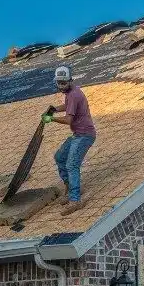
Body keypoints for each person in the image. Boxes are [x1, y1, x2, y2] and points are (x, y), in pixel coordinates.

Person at [43, 66, 96, 216]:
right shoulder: (71, 92)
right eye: (59, 83)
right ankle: (70, 187)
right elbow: (68, 106)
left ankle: (75, 200)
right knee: (59, 157)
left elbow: (68, 120)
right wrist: (54, 109)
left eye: (64, 83)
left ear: (70, 80)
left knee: (72, 165)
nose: (61, 86)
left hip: (84, 135)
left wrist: (51, 119)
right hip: (78, 134)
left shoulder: (74, 95)